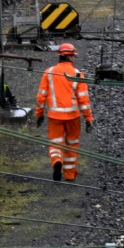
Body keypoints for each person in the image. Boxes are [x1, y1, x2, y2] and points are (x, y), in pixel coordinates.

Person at [35, 43, 94, 181]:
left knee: (56, 143)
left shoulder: (48, 73)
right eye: (74, 56)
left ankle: (57, 161)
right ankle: (69, 174)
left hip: (54, 116)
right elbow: (83, 100)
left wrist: (39, 114)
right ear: (70, 56)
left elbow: (41, 96)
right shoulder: (78, 74)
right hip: (73, 117)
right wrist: (88, 118)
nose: (74, 59)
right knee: (72, 145)